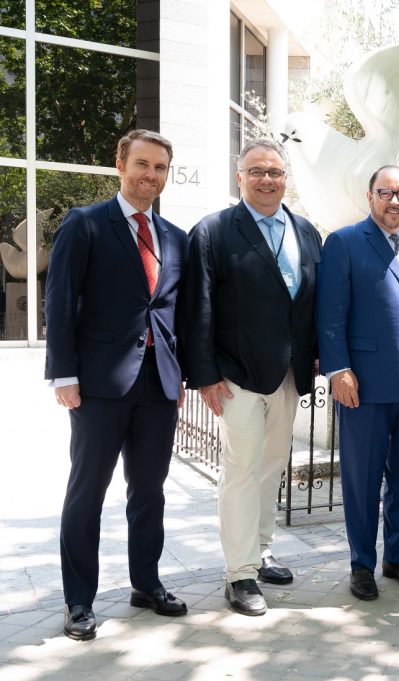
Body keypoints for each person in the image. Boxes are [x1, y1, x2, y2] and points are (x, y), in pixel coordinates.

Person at [45, 129, 188, 640]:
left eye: (160, 168)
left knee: (149, 491)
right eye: (143, 165)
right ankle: (78, 600)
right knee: (87, 492)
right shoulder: (84, 224)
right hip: (99, 386)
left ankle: (146, 583)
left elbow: (177, 311)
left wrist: (184, 372)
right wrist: (63, 374)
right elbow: (59, 303)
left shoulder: (175, 236)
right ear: (121, 164)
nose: (151, 176)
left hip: (159, 386)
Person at [180, 138, 322, 616]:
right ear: (239, 177)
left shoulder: (306, 231)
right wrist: (203, 374)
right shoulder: (214, 231)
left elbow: (311, 304)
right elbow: (195, 306)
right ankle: (238, 573)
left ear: (286, 179)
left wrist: (318, 357)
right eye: (257, 171)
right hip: (235, 374)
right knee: (240, 472)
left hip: (287, 374)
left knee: (271, 466)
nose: (267, 179)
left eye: (276, 172)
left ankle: (260, 551)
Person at [316, 165, 399, 601]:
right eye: (385, 192)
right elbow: (330, 313)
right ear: (370, 195)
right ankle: (362, 564)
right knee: (362, 478)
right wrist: (338, 370)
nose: (394, 201)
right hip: (364, 386)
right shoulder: (344, 242)